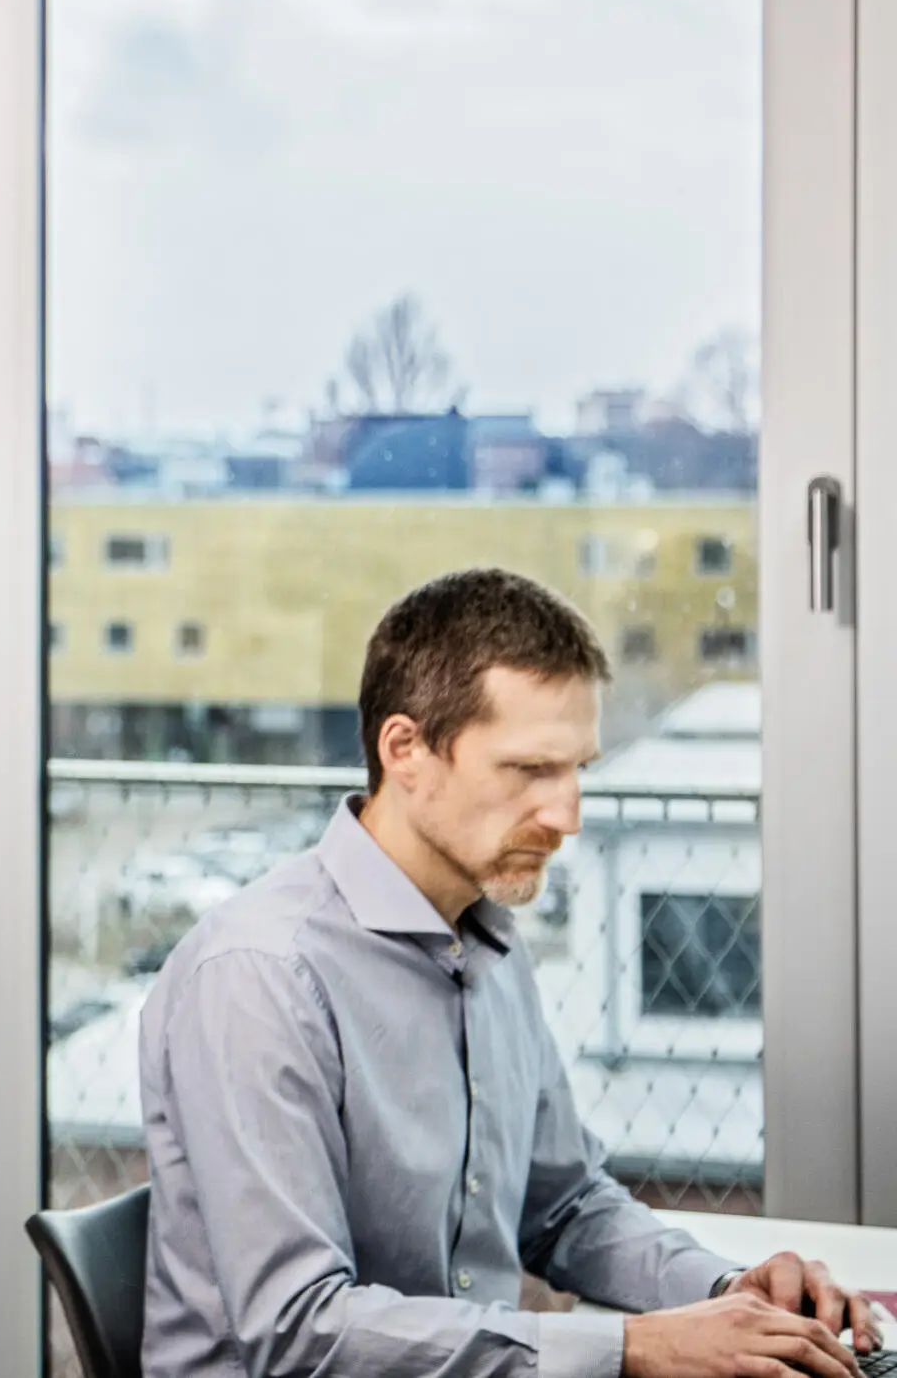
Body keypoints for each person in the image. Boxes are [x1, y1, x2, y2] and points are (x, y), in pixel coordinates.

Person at [138, 568, 875, 1378]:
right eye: (528, 771)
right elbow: (298, 1331)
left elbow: (563, 1207)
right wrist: (633, 1348)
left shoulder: (485, 935)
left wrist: (733, 1294)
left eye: (576, 770)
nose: (568, 816)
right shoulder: (261, 976)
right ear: (406, 750)